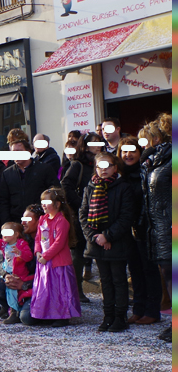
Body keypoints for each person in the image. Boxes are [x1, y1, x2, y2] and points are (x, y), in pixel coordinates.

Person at [79, 154, 134, 332]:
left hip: (117, 241)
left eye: (107, 165)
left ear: (115, 168)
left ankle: (120, 317)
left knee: (118, 280)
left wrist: (108, 236)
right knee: (105, 280)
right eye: (99, 166)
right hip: (97, 242)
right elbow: (83, 214)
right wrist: (95, 237)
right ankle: (107, 315)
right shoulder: (90, 187)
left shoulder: (123, 187)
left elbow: (126, 217)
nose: (103, 169)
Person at [117, 137, 160, 325]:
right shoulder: (118, 175)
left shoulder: (146, 171)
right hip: (126, 230)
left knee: (149, 270)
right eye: (124, 151)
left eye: (132, 150)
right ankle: (138, 308)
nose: (128, 155)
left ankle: (152, 311)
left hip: (145, 228)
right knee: (134, 270)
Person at [61, 131, 104, 301]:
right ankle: (76, 290)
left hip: (102, 215)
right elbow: (66, 185)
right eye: (94, 143)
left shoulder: (104, 162)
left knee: (100, 251)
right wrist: (81, 205)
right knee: (78, 253)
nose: (97, 146)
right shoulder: (78, 165)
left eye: (99, 142)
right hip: (82, 217)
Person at [30, 187, 81, 327]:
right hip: (44, 261)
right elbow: (37, 238)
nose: (43, 205)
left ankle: (62, 315)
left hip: (58, 263)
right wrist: (37, 251)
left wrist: (45, 255)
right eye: (42, 202)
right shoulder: (42, 219)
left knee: (59, 290)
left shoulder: (62, 221)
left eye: (47, 202)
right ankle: (44, 313)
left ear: (57, 204)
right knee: (45, 289)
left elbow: (59, 242)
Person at [0, 204, 42, 323]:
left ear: (39, 221)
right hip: (17, 281)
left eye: (28, 220)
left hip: (35, 287)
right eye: (23, 219)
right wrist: (7, 276)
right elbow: (6, 261)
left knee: (26, 318)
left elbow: (46, 275)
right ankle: (9, 308)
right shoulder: (18, 239)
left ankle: (19, 310)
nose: (23, 223)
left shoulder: (44, 241)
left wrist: (25, 284)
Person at [139, 113, 171, 323]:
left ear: (156, 139)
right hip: (159, 229)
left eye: (144, 140)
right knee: (168, 276)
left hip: (169, 226)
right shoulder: (154, 161)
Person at [0, 138, 59, 224]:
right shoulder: (7, 174)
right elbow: (3, 201)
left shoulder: (44, 169)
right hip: (17, 222)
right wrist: (7, 222)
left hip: (40, 220)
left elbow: (55, 192)